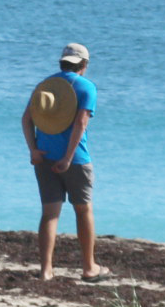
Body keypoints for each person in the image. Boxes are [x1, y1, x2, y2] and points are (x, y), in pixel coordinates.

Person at [22, 42, 104, 281]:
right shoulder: (87, 87)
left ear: (62, 62)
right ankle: (89, 267)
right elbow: (81, 123)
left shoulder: (44, 86)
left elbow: (26, 119)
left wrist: (33, 150)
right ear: (84, 65)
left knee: (50, 214)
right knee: (83, 209)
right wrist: (68, 158)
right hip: (76, 159)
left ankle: (46, 270)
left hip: (45, 156)